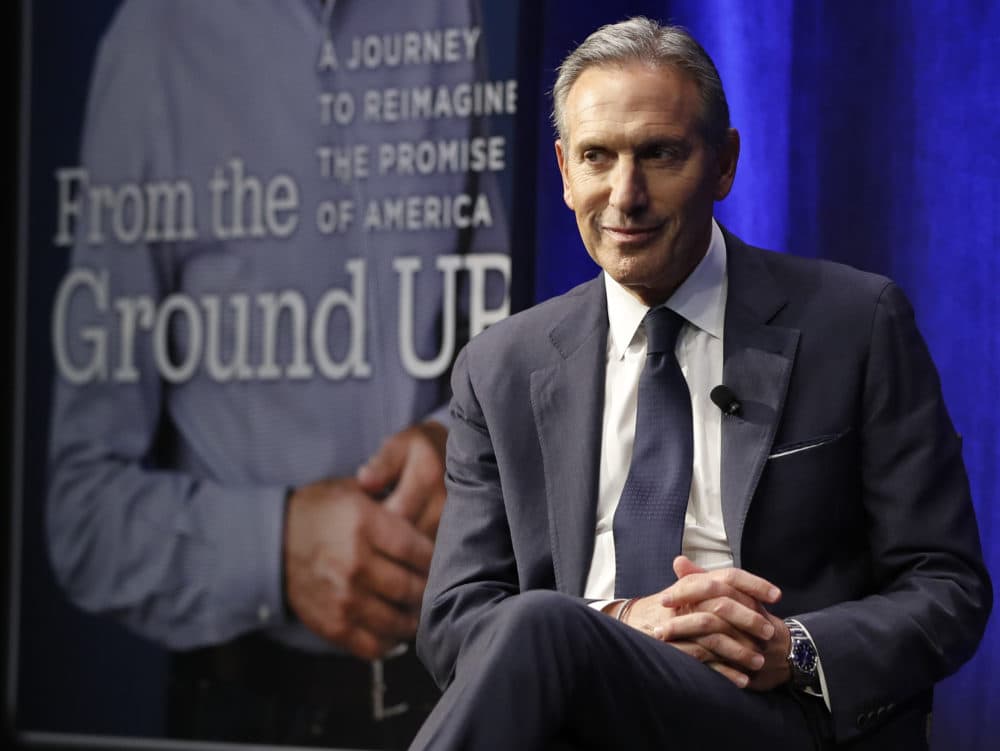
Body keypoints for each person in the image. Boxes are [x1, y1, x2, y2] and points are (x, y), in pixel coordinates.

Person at [411, 17, 991, 751]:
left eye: (658, 154)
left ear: (724, 164)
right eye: (598, 157)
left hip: (770, 712)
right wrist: (622, 621)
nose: (626, 195)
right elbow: (455, 619)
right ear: (563, 172)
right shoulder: (500, 367)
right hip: (577, 714)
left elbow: (947, 584)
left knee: (542, 622)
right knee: (541, 624)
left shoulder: (857, 325)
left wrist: (794, 647)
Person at [45, 0, 509, 747]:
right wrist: (274, 550)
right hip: (246, 712)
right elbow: (83, 517)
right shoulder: (155, 39)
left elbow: (488, 338)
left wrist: (447, 438)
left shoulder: (444, 10)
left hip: (451, 696)